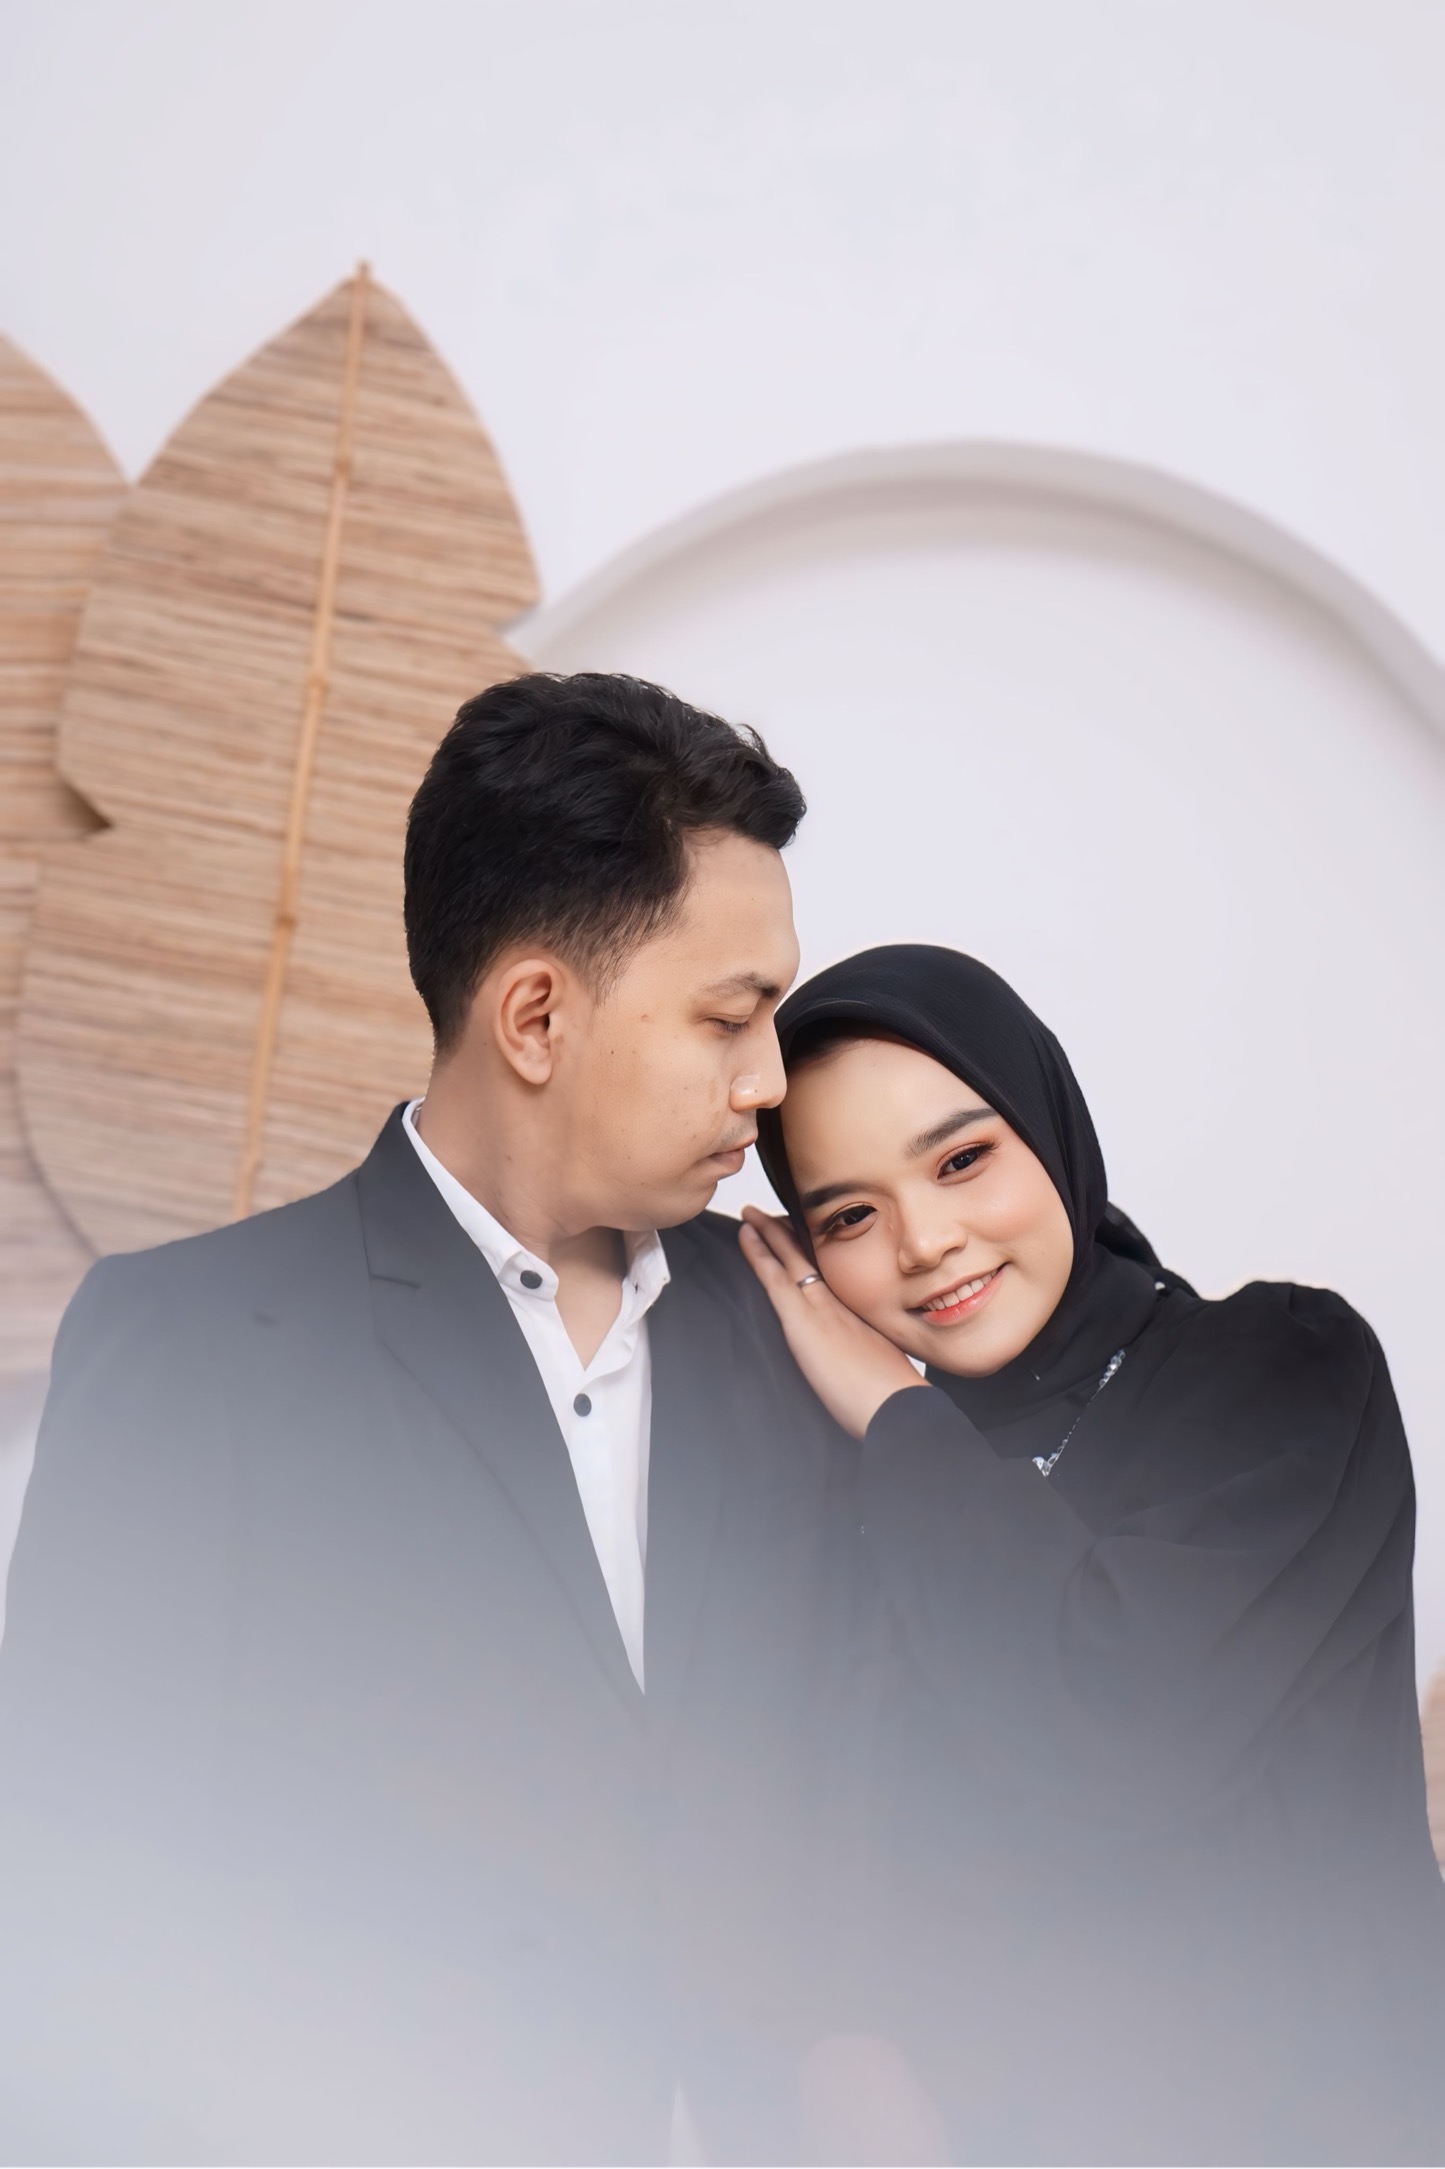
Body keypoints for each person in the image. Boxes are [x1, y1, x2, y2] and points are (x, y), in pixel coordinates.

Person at [0, 673, 852, 2166]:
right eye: (731, 1017)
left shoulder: (802, 1323)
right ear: (535, 1015)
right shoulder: (197, 1348)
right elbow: (73, 1912)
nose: (770, 1080)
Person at [741, 943, 1445, 2167]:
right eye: (849, 1215)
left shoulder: (1283, 1374)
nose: (923, 1242)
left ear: (1047, 1125)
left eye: (960, 1160)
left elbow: (1117, 1728)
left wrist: (895, 1413)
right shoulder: (838, 1479)